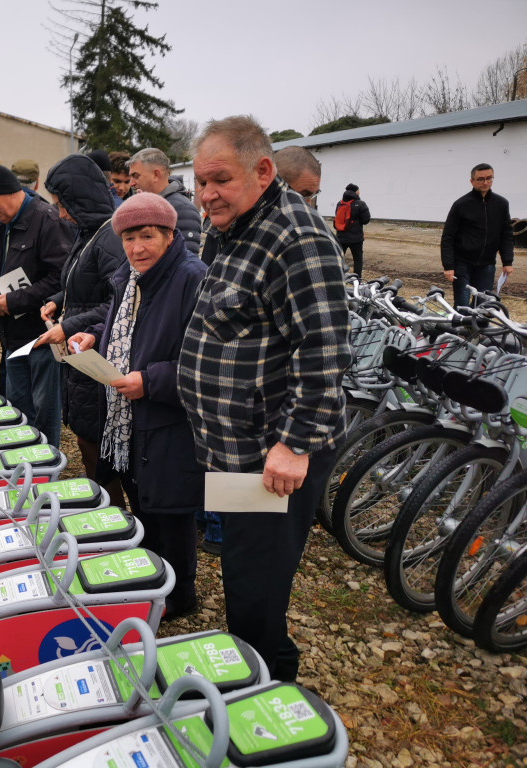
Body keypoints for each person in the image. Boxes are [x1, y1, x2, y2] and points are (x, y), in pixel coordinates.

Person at [178, 116, 352, 681]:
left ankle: (263, 700)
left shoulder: (296, 238)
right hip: (236, 448)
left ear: (263, 170)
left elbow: (324, 351)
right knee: (246, 572)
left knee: (255, 581)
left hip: (270, 457)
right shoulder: (235, 227)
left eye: (219, 180)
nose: (206, 195)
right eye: (200, 182)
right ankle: (268, 665)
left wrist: (294, 445)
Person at [67, 192, 206, 620]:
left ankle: (180, 596)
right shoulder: (130, 278)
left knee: (172, 513)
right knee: (143, 502)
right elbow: (122, 324)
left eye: (147, 236)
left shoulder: (191, 278)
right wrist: (94, 334)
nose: (136, 248)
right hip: (130, 422)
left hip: (169, 422)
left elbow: (207, 362)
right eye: (128, 238)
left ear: (169, 234)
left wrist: (151, 380)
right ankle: (152, 579)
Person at [36, 153, 126, 486]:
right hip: (80, 354)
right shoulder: (88, 232)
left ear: (80, 199)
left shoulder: (111, 238)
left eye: (63, 204)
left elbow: (118, 301)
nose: (59, 213)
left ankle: (110, 513)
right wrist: (57, 300)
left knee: (97, 446)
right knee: (88, 441)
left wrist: (69, 325)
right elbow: (82, 284)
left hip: (95, 353)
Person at [0, 163, 72, 447]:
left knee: (44, 410)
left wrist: (14, 300)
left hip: (40, 335)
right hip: (12, 334)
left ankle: (47, 469)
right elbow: (1, 272)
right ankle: (24, 465)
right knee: (18, 408)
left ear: (11, 193)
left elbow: (61, 279)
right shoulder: (3, 226)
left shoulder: (48, 220)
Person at [441, 163, 515, 307]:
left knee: (482, 305)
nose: (485, 182)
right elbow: (448, 237)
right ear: (472, 181)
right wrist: (448, 266)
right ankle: (459, 329)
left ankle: (477, 329)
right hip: (462, 263)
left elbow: (506, 234)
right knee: (462, 304)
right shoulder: (461, 205)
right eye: (480, 179)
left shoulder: (501, 204)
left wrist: (507, 261)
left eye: (489, 178)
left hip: (487, 264)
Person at [127, 147, 202, 255]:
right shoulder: (149, 205)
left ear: (156, 175)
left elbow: (185, 263)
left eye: (136, 176)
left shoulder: (182, 210)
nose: (131, 183)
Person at [334, 183, 371, 278]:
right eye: (359, 190)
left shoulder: (340, 203)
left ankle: (338, 277)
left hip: (341, 237)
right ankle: (357, 280)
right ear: (355, 191)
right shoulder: (361, 204)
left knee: (339, 259)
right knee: (357, 260)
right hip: (356, 238)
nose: (360, 192)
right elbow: (366, 220)